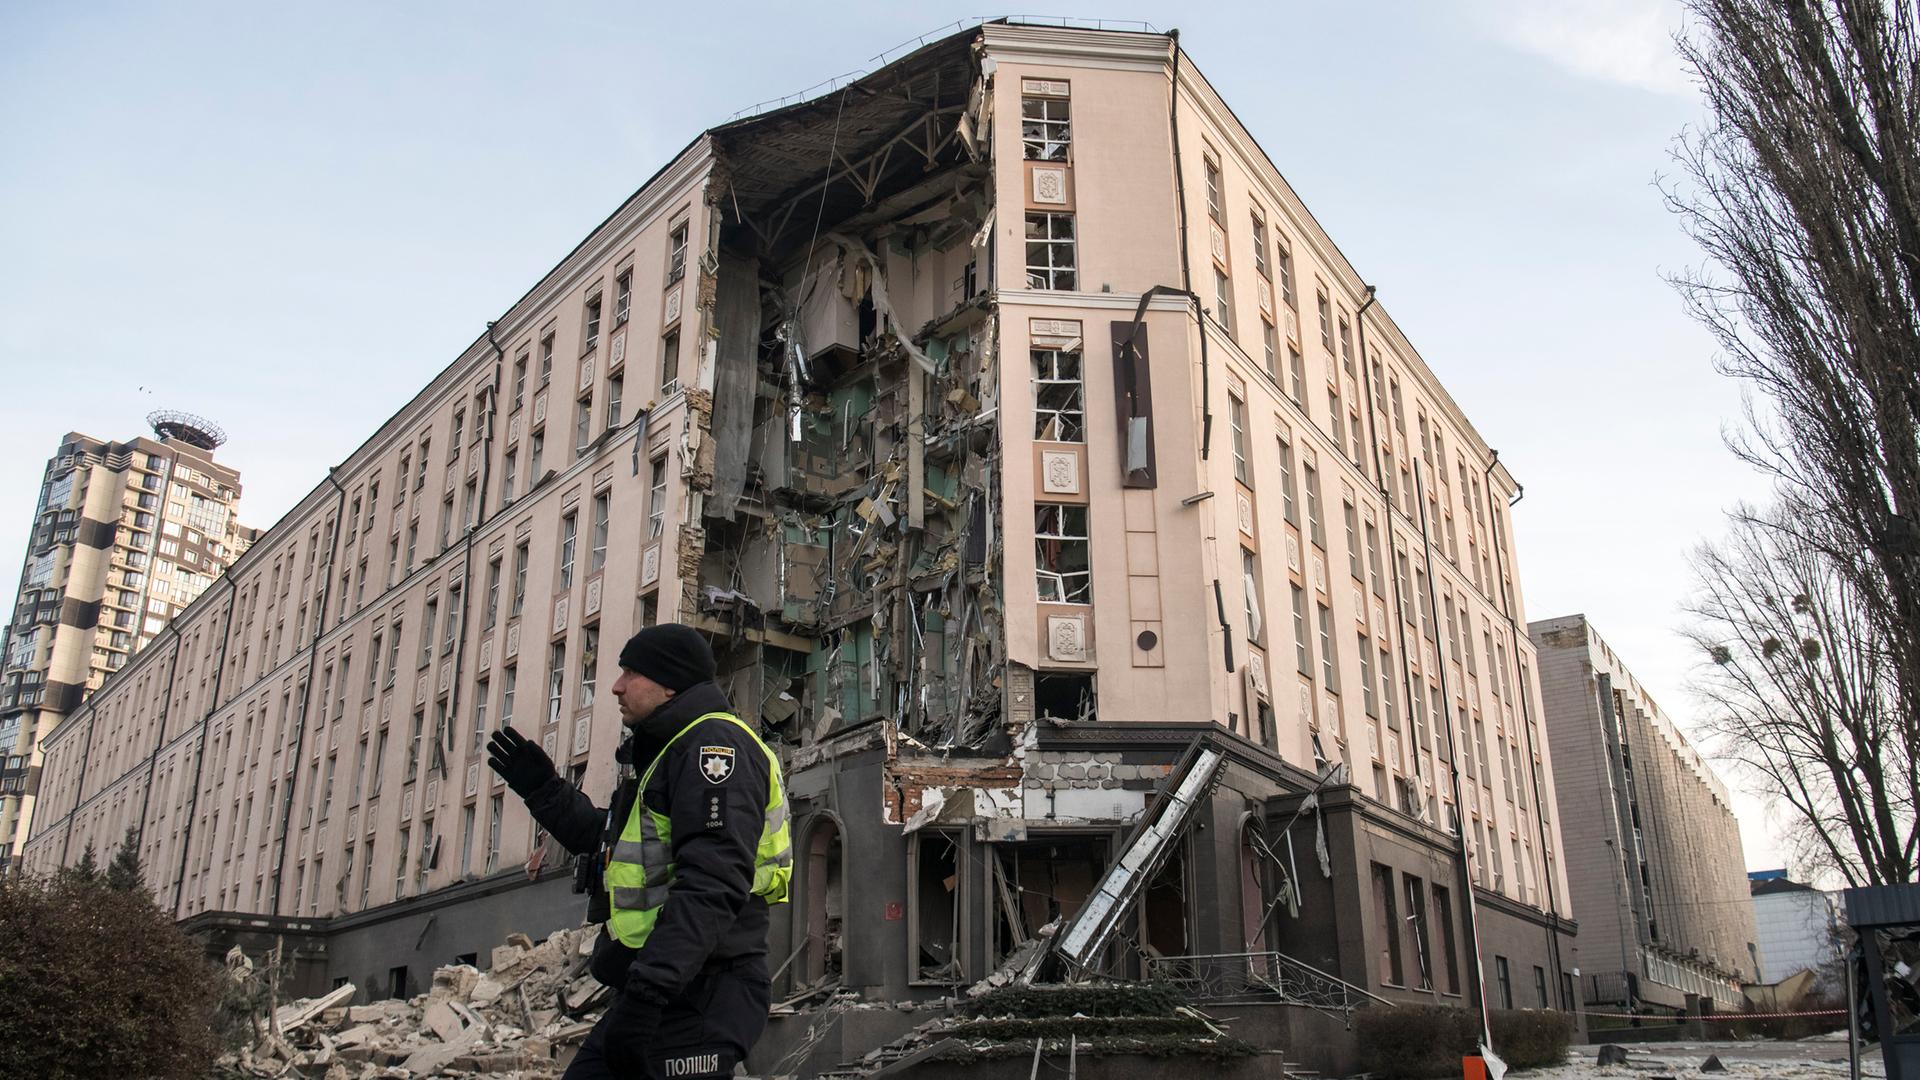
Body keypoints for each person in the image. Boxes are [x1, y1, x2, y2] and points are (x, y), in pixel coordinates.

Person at [487, 623, 790, 1080]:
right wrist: (546, 791)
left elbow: (711, 884)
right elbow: (611, 842)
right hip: (667, 985)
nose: (616, 685)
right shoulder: (669, 752)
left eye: (631, 672)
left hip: (699, 989)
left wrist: (649, 994)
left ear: (670, 684)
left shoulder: (713, 750)